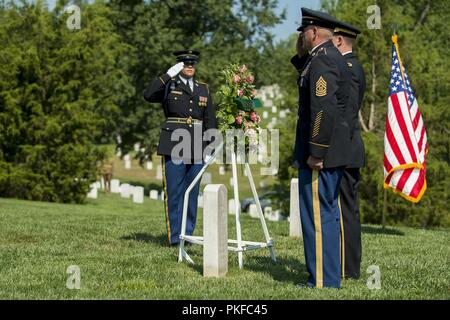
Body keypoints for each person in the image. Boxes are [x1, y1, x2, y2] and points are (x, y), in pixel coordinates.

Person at [291, 8, 353, 288]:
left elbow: (322, 110)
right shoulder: (330, 58)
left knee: (317, 217)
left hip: (321, 155)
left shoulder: (322, 62)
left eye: (303, 32)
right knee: (327, 215)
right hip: (334, 151)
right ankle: (328, 277)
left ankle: (321, 280)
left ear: (313, 32)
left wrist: (316, 151)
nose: (302, 37)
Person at [143, 50, 217, 246]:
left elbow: (210, 119)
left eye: (192, 64)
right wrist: (168, 75)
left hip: (197, 144)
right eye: (185, 64)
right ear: (179, 66)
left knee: (192, 192)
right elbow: (148, 94)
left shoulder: (203, 89)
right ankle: (175, 238)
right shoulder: (169, 85)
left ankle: (188, 235)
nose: (189, 67)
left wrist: (212, 147)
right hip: (174, 143)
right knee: (174, 191)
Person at [332, 20, 366, 280]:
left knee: (346, 211)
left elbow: (347, 113)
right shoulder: (352, 66)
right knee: (347, 209)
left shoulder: (349, 68)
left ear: (340, 40)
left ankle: (347, 268)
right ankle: (347, 267)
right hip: (348, 149)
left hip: (345, 149)